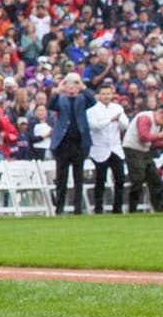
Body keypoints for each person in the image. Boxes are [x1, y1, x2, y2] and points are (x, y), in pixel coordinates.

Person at [49, 72, 91, 214]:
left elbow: (93, 101)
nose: (72, 87)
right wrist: (58, 89)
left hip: (79, 142)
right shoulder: (61, 99)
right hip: (63, 143)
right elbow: (50, 105)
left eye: (75, 84)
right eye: (69, 84)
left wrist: (83, 87)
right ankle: (59, 208)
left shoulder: (82, 99)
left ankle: (77, 208)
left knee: (78, 177)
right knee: (62, 178)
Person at [86, 79, 128, 215]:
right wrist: (110, 119)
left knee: (120, 179)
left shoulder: (118, 108)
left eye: (108, 94)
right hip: (100, 149)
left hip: (115, 148)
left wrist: (119, 119)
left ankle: (118, 208)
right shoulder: (92, 111)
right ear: (99, 95)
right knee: (100, 180)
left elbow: (125, 125)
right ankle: (98, 208)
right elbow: (94, 126)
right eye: (103, 94)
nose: (106, 96)